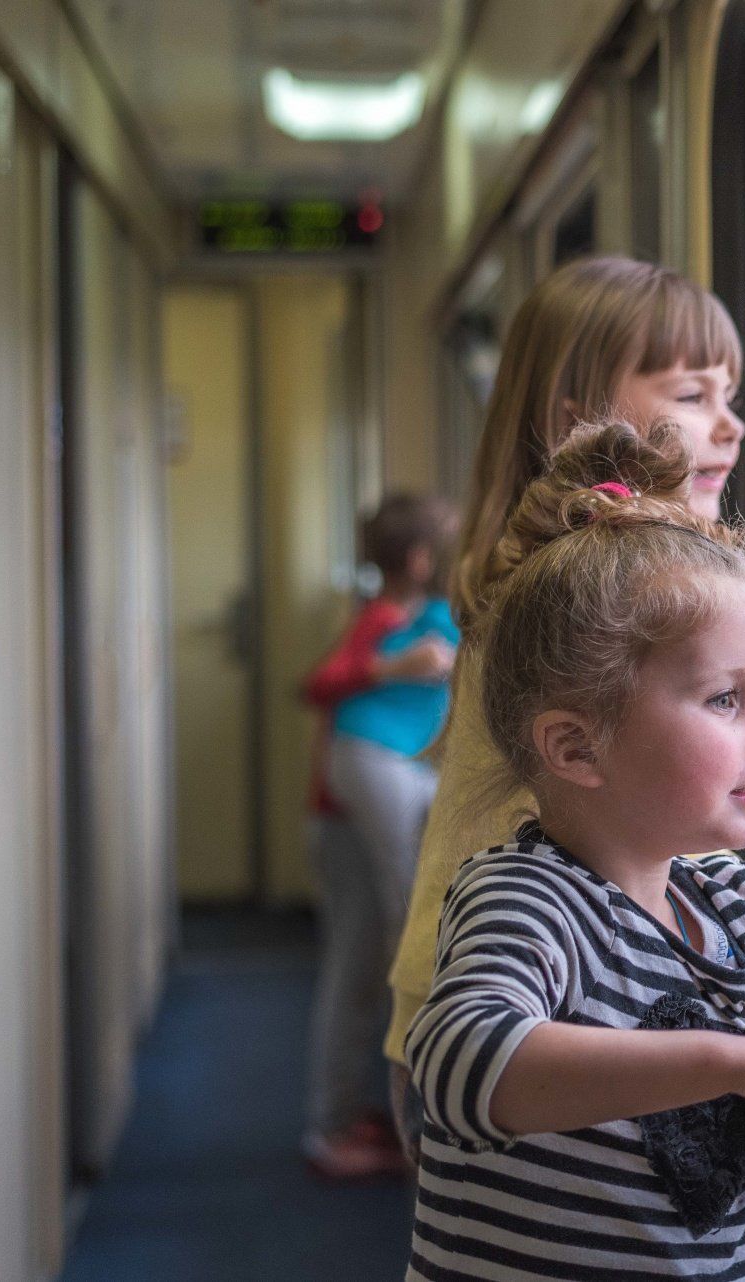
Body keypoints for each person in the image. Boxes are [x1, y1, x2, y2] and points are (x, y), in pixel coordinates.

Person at [405, 421, 745, 1281]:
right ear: (577, 748)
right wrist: (739, 1060)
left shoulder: (737, 905)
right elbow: (463, 1061)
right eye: (723, 701)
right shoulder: (527, 897)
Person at [382, 259, 745, 1147]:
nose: (732, 426)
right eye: (693, 394)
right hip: (500, 996)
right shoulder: (546, 598)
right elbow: (699, 662)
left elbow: (704, 657)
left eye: (732, 395)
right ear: (574, 419)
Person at [297, 493, 458, 1179]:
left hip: (362, 797)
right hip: (354, 800)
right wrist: (397, 666)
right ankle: (342, 1126)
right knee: (385, 942)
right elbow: (320, 685)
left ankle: (346, 1115)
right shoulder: (388, 620)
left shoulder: (421, 615)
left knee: (363, 960)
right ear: (422, 561)